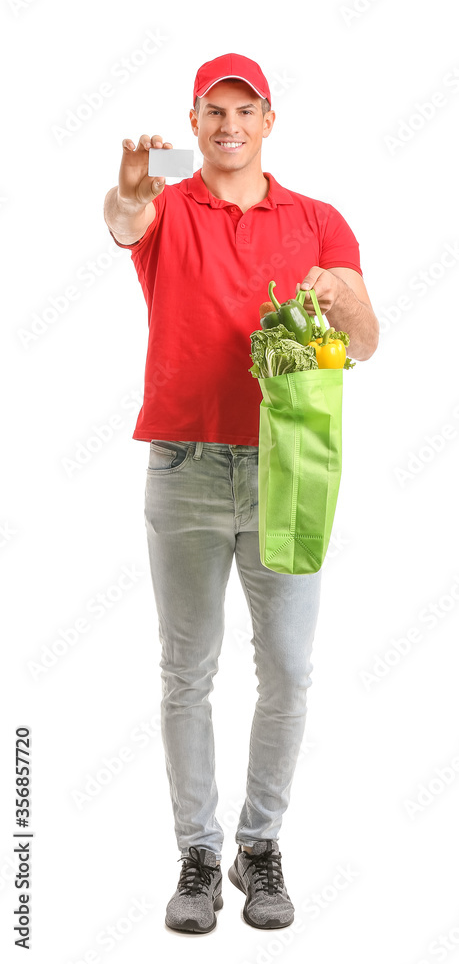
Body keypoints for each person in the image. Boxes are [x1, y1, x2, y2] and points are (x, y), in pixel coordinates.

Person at [103, 52, 379, 935]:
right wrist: (128, 192)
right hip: (182, 467)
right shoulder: (169, 207)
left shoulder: (320, 221)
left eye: (243, 109)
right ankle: (196, 850)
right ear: (193, 124)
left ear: (268, 121)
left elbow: (365, 342)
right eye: (211, 111)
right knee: (187, 672)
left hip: (283, 471)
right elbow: (122, 219)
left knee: (289, 671)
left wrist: (339, 296)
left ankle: (258, 848)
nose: (227, 125)